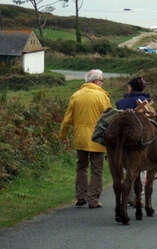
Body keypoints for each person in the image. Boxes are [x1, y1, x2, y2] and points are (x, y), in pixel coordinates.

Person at [60, 69, 111, 208]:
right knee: (97, 169)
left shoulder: (76, 95)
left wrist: (63, 135)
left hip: (80, 137)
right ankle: (93, 199)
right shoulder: (102, 96)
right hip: (97, 138)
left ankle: (80, 196)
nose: (102, 83)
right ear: (96, 81)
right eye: (101, 80)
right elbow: (109, 119)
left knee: (81, 167)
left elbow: (67, 120)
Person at [116, 76, 150, 206]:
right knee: (141, 169)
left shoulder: (120, 103)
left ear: (131, 88)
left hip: (124, 140)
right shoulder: (146, 101)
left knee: (127, 168)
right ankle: (137, 198)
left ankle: (128, 195)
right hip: (141, 139)